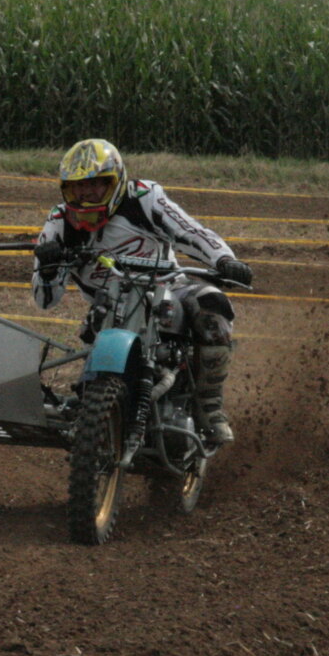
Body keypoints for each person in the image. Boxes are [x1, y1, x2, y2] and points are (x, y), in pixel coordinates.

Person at [31, 138, 253, 445]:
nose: (86, 194)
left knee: (211, 303)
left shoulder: (143, 198)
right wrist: (48, 267)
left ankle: (209, 406)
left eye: (95, 184)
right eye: (77, 187)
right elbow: (44, 300)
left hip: (169, 287)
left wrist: (224, 259)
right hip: (109, 304)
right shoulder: (60, 222)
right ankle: (90, 401)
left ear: (115, 181)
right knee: (92, 330)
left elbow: (189, 230)